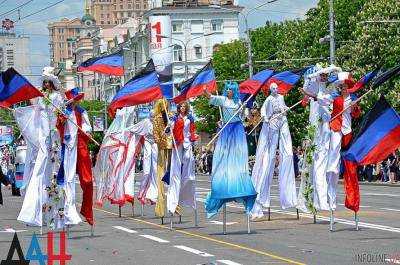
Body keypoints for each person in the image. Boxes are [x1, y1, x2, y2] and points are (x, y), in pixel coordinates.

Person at [15, 66, 64, 227]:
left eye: (48, 82)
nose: (46, 84)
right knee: (39, 170)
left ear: (52, 83)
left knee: (54, 171)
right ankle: (36, 212)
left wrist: (59, 111)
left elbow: (62, 113)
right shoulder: (41, 98)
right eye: (44, 82)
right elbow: (33, 112)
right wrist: (18, 111)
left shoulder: (56, 97)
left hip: (53, 136)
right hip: (42, 137)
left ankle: (55, 214)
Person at [203, 81, 256, 218]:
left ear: (235, 91)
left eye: (231, 89)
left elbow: (248, 119)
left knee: (239, 158)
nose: (228, 91)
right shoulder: (222, 99)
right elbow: (210, 97)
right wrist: (205, 90)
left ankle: (244, 194)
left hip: (237, 130)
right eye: (227, 89)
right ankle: (220, 191)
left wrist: (246, 110)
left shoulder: (239, 102)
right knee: (222, 157)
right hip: (226, 129)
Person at [250, 82, 297, 219]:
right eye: (273, 89)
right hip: (273, 121)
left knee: (287, 149)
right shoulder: (269, 99)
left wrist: (286, 108)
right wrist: (265, 117)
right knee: (270, 153)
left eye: (276, 88)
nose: (275, 90)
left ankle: (289, 197)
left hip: (282, 119)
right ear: (271, 90)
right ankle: (260, 201)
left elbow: (283, 106)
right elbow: (264, 110)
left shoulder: (281, 97)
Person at [301, 64, 341, 211]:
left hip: (328, 126)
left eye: (325, 75)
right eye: (322, 75)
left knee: (329, 164)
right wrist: (312, 76)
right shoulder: (314, 87)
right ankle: (319, 200)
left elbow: (340, 80)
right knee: (318, 162)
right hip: (318, 128)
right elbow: (306, 90)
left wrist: (334, 69)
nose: (324, 77)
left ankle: (325, 200)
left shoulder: (329, 88)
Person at [57, 88, 94, 226]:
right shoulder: (62, 111)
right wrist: (62, 119)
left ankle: (86, 210)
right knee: (68, 178)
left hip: (80, 147)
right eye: (74, 99)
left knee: (88, 181)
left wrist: (86, 131)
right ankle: (69, 211)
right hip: (68, 148)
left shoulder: (81, 111)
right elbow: (58, 127)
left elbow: (87, 126)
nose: (76, 102)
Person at [327, 72, 360, 210]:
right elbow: (327, 103)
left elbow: (357, 114)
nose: (344, 89)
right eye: (342, 87)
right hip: (336, 127)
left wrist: (355, 107)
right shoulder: (336, 99)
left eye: (346, 87)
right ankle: (332, 168)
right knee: (334, 152)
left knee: (348, 159)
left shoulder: (353, 100)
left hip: (347, 131)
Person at [166, 102, 198, 215]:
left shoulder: (190, 118)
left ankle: (186, 174)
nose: (183, 108)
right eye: (181, 106)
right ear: (179, 108)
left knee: (189, 158)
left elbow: (192, 130)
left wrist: (194, 137)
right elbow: (169, 128)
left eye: (185, 106)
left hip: (187, 142)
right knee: (177, 164)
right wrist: (169, 127)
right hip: (178, 143)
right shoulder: (175, 118)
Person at [153, 99, 173, 218]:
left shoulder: (170, 117)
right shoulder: (157, 118)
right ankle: (160, 204)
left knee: (172, 173)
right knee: (161, 173)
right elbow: (156, 134)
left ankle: (173, 202)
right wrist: (161, 140)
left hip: (171, 146)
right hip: (162, 147)